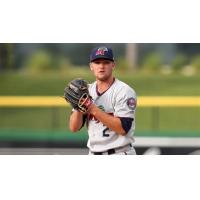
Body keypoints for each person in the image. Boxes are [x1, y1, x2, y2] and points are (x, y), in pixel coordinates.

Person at [69, 46, 137, 155]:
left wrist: (92, 108)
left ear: (113, 65)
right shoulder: (86, 91)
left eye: (106, 62)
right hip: (93, 153)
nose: (101, 66)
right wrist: (77, 107)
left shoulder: (124, 91)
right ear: (91, 66)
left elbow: (123, 129)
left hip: (119, 153)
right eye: (97, 62)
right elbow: (73, 128)